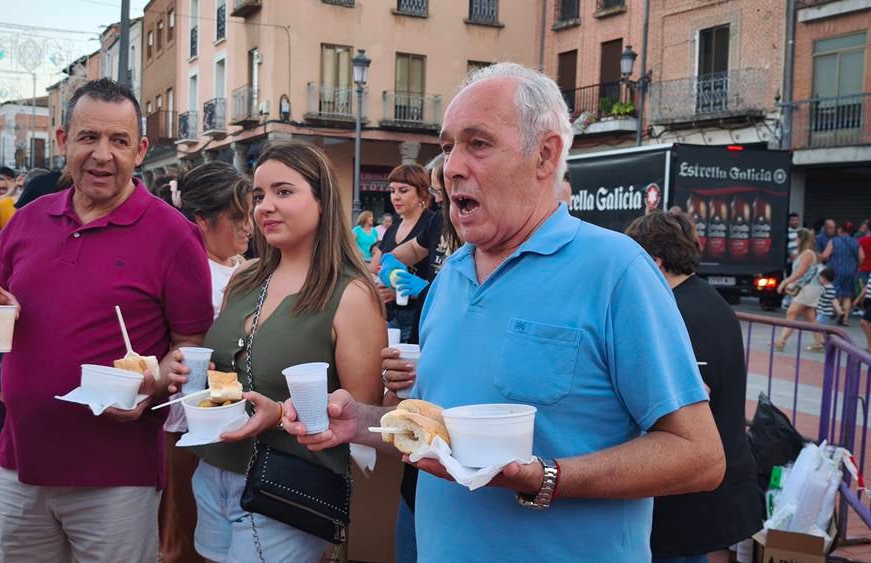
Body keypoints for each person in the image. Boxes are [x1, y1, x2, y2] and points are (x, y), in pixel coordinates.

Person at [282, 62, 724, 561]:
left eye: (478, 143)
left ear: (545, 154)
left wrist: (547, 477)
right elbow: (442, 433)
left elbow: (699, 456)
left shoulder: (617, 270)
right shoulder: (451, 276)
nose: (450, 167)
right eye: (448, 146)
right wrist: (361, 423)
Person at [0, 78, 213, 563]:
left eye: (119, 141)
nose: (103, 154)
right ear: (63, 142)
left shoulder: (174, 236)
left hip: (116, 479)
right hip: (19, 465)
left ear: (140, 151)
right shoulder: (25, 222)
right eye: (88, 137)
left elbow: (190, 345)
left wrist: (152, 384)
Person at [188, 142, 386, 563]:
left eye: (283, 192)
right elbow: (226, 367)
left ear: (321, 200)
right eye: (258, 196)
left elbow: (359, 416)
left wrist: (279, 414)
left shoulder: (351, 295)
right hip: (212, 471)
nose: (265, 208)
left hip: (287, 486)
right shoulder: (243, 277)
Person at [625, 211, 764, 562]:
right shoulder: (713, 302)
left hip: (685, 495)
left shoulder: (673, 311)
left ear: (654, 262)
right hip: (711, 486)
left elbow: (684, 400)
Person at [157, 162, 253, 563]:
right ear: (201, 219)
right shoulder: (186, 269)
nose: (250, 226)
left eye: (251, 214)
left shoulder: (244, 268)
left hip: (235, 414)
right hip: (188, 419)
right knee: (184, 528)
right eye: (237, 217)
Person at [378, 152, 462, 563]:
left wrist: (418, 288)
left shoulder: (441, 222)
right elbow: (393, 258)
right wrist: (401, 281)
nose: (449, 189)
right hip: (423, 485)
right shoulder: (441, 226)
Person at [378, 164, 434, 342]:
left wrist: (406, 291)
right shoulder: (392, 228)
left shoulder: (432, 223)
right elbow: (374, 266)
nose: (396, 197)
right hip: (391, 315)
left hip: (420, 312)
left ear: (422, 193)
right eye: (392, 191)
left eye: (403, 190)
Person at [775, 229, 822, 351]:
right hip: (810, 288)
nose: (795, 240)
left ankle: (781, 341)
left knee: (791, 312)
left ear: (801, 239)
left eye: (796, 238)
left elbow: (800, 272)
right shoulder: (808, 253)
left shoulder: (807, 253)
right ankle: (819, 343)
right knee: (811, 317)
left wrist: (785, 282)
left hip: (809, 288)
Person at [822, 221, 860, 325]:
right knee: (847, 295)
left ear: (840, 230)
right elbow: (862, 257)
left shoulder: (833, 241)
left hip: (836, 270)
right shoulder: (856, 242)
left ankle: (837, 311)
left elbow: (825, 255)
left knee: (833, 292)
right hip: (851, 271)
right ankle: (845, 319)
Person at [815, 268, 842, 353]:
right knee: (822, 328)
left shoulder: (824, 288)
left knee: (819, 328)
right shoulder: (832, 288)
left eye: (820, 278)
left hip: (823, 311)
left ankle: (823, 342)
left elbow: (817, 295)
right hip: (826, 311)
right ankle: (824, 342)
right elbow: (833, 299)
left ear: (824, 278)